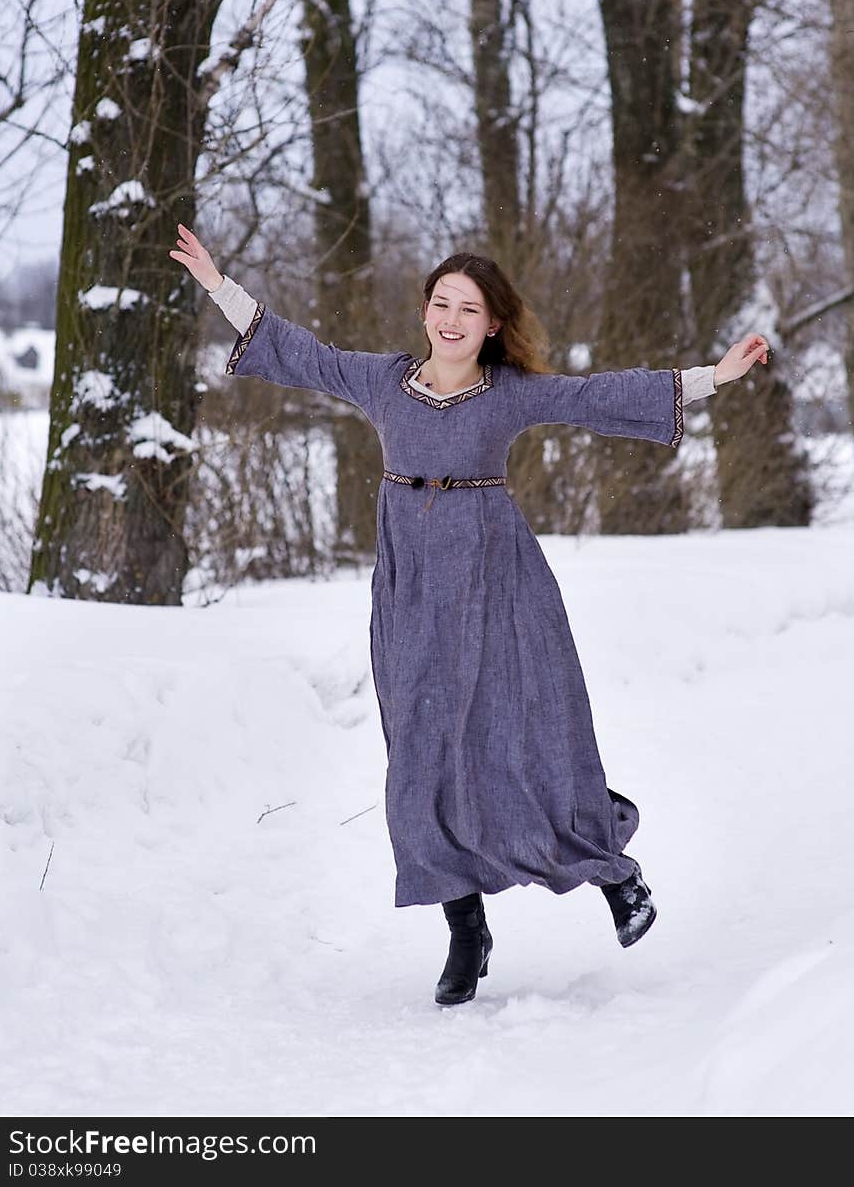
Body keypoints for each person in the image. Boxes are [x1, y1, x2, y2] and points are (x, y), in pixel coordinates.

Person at [170, 221, 770, 1007]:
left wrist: (710, 378)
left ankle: (614, 875)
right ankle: (464, 925)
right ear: (426, 312)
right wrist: (221, 286)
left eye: (470, 307)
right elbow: (303, 353)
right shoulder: (384, 381)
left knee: (534, 730)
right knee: (420, 754)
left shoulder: (508, 392)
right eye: (441, 302)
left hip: (501, 583)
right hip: (412, 589)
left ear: (493, 324)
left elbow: (594, 396)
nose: (452, 318)